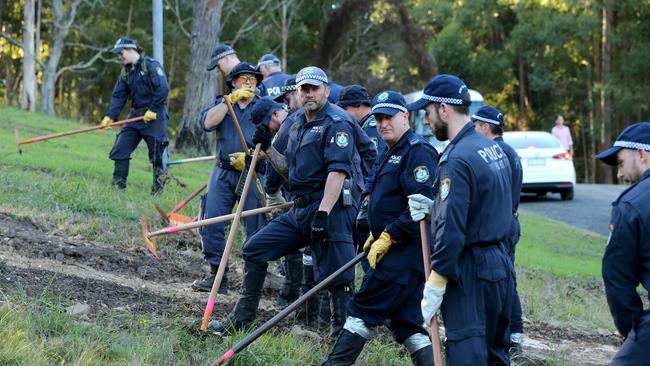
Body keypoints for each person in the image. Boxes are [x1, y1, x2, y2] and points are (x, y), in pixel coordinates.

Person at [208, 66, 358, 338]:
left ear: (326, 90)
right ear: (297, 93)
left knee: (339, 277)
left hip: (331, 208)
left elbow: (338, 172)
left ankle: (340, 340)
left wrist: (323, 213)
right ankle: (242, 321)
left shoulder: (337, 122)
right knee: (254, 248)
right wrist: (268, 149)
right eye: (304, 89)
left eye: (314, 88)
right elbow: (289, 169)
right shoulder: (298, 121)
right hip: (299, 208)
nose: (309, 94)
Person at [322, 91, 438, 365]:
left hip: (403, 255)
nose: (383, 124)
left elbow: (420, 209)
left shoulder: (417, 151)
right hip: (394, 252)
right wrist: (376, 232)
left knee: (361, 310)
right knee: (406, 323)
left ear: (405, 116)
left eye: (389, 117)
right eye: (379, 119)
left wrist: (388, 235)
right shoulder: (391, 150)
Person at [407, 74, 515, 364]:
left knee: (467, 355)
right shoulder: (491, 148)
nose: (426, 120)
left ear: (444, 109)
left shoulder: (456, 158)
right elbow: (484, 206)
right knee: (495, 355)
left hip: (470, 272)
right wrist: (435, 208)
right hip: (500, 264)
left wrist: (437, 279)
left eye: (427, 112)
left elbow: (452, 228)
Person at [192, 62, 267, 294]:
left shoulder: (265, 107)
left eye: (252, 79)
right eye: (243, 79)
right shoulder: (223, 104)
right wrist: (229, 101)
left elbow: (278, 141)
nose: (247, 83)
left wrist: (253, 157)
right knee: (211, 220)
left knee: (255, 226)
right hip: (222, 172)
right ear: (233, 82)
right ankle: (217, 276)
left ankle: (250, 284)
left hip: (252, 171)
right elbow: (206, 123)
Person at [595, 122, 650, 365]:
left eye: (620, 163)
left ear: (641, 154)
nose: (619, 174)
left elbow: (617, 279)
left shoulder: (631, 204)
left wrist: (634, 333)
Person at [472, 105, 525, 353]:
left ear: (485, 127)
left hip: (499, 224)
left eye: (476, 125)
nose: (473, 130)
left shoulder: (492, 151)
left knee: (502, 280)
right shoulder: (510, 151)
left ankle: (510, 333)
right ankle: (514, 332)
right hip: (511, 220)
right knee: (508, 276)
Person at [99, 36, 170, 194]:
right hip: (135, 116)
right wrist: (110, 116)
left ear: (131, 50)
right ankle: (118, 188)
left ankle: (157, 193)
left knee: (157, 155)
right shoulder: (126, 72)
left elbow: (163, 89)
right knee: (120, 149)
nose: (119, 57)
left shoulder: (150, 65)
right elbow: (119, 96)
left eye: (121, 53)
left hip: (155, 116)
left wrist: (152, 109)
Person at [336, 85, 387, 253]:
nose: (341, 113)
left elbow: (376, 162)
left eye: (345, 108)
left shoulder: (371, 126)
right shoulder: (364, 125)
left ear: (359, 105)